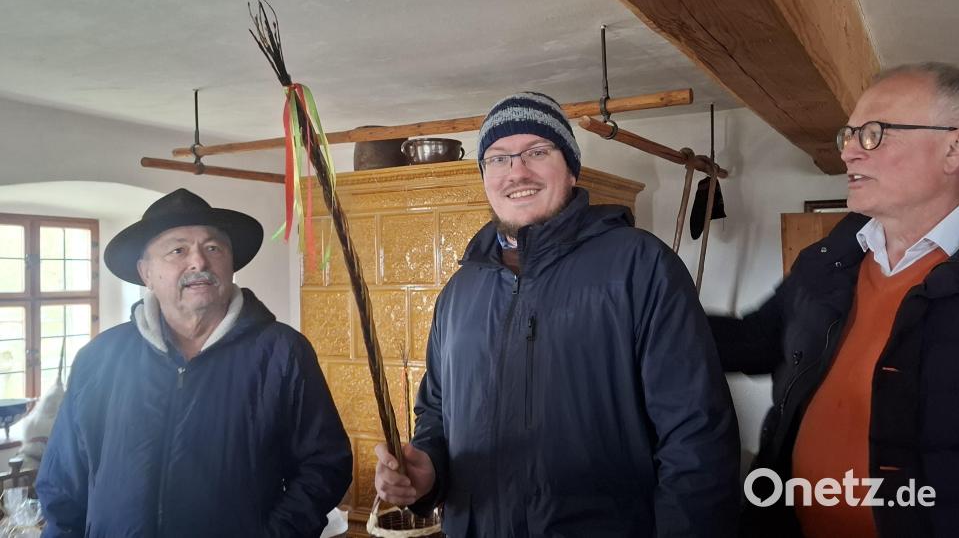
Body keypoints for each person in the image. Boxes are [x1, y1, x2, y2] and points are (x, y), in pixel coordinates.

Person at [374, 92, 740, 536]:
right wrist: (427, 470)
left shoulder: (640, 267)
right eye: (498, 158)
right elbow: (435, 411)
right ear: (485, 175)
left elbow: (696, 438)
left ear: (570, 168)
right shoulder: (458, 293)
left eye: (537, 152)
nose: (517, 172)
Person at [709, 62, 959, 538]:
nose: (847, 151)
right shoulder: (831, 258)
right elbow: (755, 341)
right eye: (849, 133)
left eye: (874, 133)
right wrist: (643, 314)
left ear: (954, 148)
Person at [36, 189, 352, 537]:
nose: (199, 262)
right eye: (178, 250)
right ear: (146, 272)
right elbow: (62, 482)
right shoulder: (101, 359)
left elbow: (324, 465)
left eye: (213, 248)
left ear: (231, 264)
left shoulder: (282, 353)